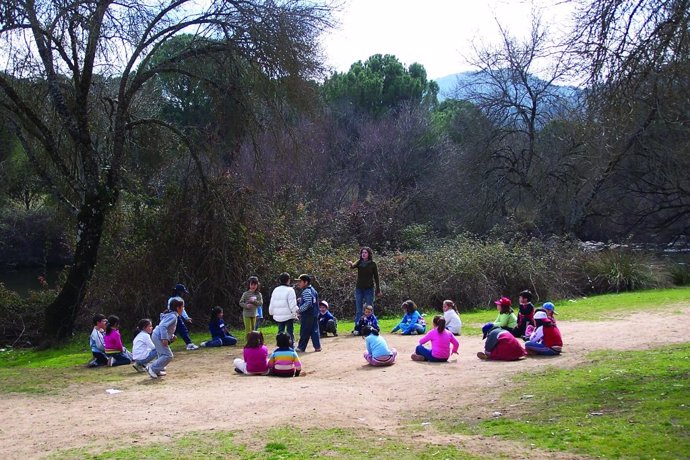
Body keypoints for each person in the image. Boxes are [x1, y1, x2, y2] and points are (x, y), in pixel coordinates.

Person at [148, 297, 184, 379]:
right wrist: (164, 338)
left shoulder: (172, 315)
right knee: (168, 355)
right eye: (182, 307)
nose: (183, 309)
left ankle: (157, 370)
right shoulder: (173, 316)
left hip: (156, 335)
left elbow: (168, 328)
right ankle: (152, 368)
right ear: (178, 308)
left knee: (162, 354)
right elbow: (163, 326)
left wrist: (171, 336)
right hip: (158, 336)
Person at [347, 247, 382, 329]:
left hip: (369, 289)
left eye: (365, 252)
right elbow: (352, 266)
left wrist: (378, 290)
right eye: (362, 252)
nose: (363, 254)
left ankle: (373, 326)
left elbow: (376, 277)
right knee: (359, 309)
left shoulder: (373, 264)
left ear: (369, 254)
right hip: (359, 288)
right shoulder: (359, 262)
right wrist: (350, 264)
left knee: (369, 308)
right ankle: (357, 327)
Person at [269, 273, 299, 346]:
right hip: (288, 315)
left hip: (278, 314)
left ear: (279, 280)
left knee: (280, 331)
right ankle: (290, 345)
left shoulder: (275, 290)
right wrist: (296, 313)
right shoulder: (290, 290)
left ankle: (280, 345)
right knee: (289, 331)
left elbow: (272, 302)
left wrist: (271, 312)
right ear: (288, 280)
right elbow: (292, 304)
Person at [168, 283, 199, 350]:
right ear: (179, 292)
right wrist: (186, 318)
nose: (183, 294)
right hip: (176, 316)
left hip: (170, 316)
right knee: (183, 330)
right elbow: (182, 310)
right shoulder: (180, 299)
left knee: (173, 332)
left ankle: (164, 345)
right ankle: (189, 344)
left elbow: (169, 309)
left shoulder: (170, 299)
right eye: (183, 292)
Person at [296, 274, 321, 353]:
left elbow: (308, 303)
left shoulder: (306, 291)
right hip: (314, 314)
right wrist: (301, 300)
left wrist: (299, 310)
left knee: (304, 331)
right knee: (314, 331)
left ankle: (301, 347)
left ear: (305, 282)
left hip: (307, 315)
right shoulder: (313, 290)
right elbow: (312, 300)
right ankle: (317, 347)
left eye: (300, 281)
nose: (299, 283)